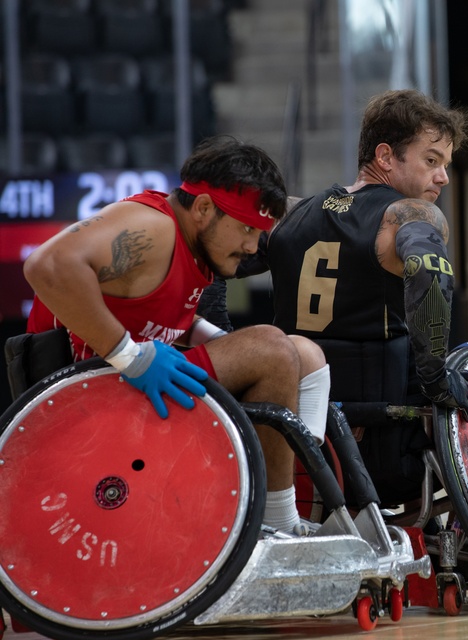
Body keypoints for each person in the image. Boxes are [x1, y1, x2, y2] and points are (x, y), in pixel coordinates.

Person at [23, 135, 330, 536]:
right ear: (203, 208)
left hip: (128, 388)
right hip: (87, 398)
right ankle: (277, 526)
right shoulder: (154, 228)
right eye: (246, 228)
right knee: (272, 349)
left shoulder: (194, 244)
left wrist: (212, 337)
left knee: (304, 353)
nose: (254, 246)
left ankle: (300, 498)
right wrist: (130, 356)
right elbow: (46, 266)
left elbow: (157, 319)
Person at [233, 89, 468, 507]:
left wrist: (218, 331)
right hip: (383, 443)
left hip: (291, 443)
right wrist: (437, 378)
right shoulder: (410, 215)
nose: (443, 178)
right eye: (431, 160)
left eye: (446, 165)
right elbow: (429, 277)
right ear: (385, 156)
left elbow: (214, 261)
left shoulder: (293, 214)